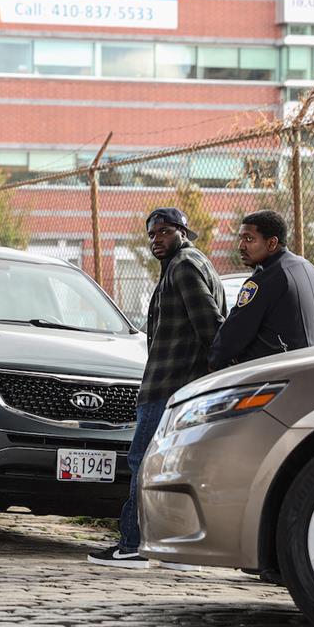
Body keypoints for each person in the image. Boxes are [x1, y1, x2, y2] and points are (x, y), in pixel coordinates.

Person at [89, 207, 226, 569]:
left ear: (183, 231)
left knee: (143, 461)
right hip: (179, 385)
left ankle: (133, 545)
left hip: (169, 387)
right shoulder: (189, 264)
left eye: (164, 232)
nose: (156, 240)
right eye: (151, 234)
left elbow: (212, 326)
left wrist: (207, 376)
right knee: (177, 467)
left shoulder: (184, 266)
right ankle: (178, 549)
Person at [209, 210, 314, 371]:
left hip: (275, 374)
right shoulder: (308, 267)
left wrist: (214, 363)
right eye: (241, 239)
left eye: (249, 239)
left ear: (271, 243)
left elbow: (233, 335)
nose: (241, 246)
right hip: (312, 366)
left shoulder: (266, 280)